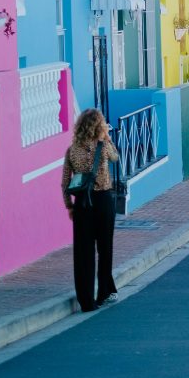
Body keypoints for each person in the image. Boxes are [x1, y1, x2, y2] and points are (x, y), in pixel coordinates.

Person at [61, 108, 120, 313]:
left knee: (83, 253)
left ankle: (86, 300)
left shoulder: (71, 150)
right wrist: (107, 137)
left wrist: (70, 206)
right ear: (99, 126)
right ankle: (103, 292)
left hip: (82, 205)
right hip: (103, 200)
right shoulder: (103, 147)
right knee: (104, 248)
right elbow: (116, 157)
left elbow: (65, 182)